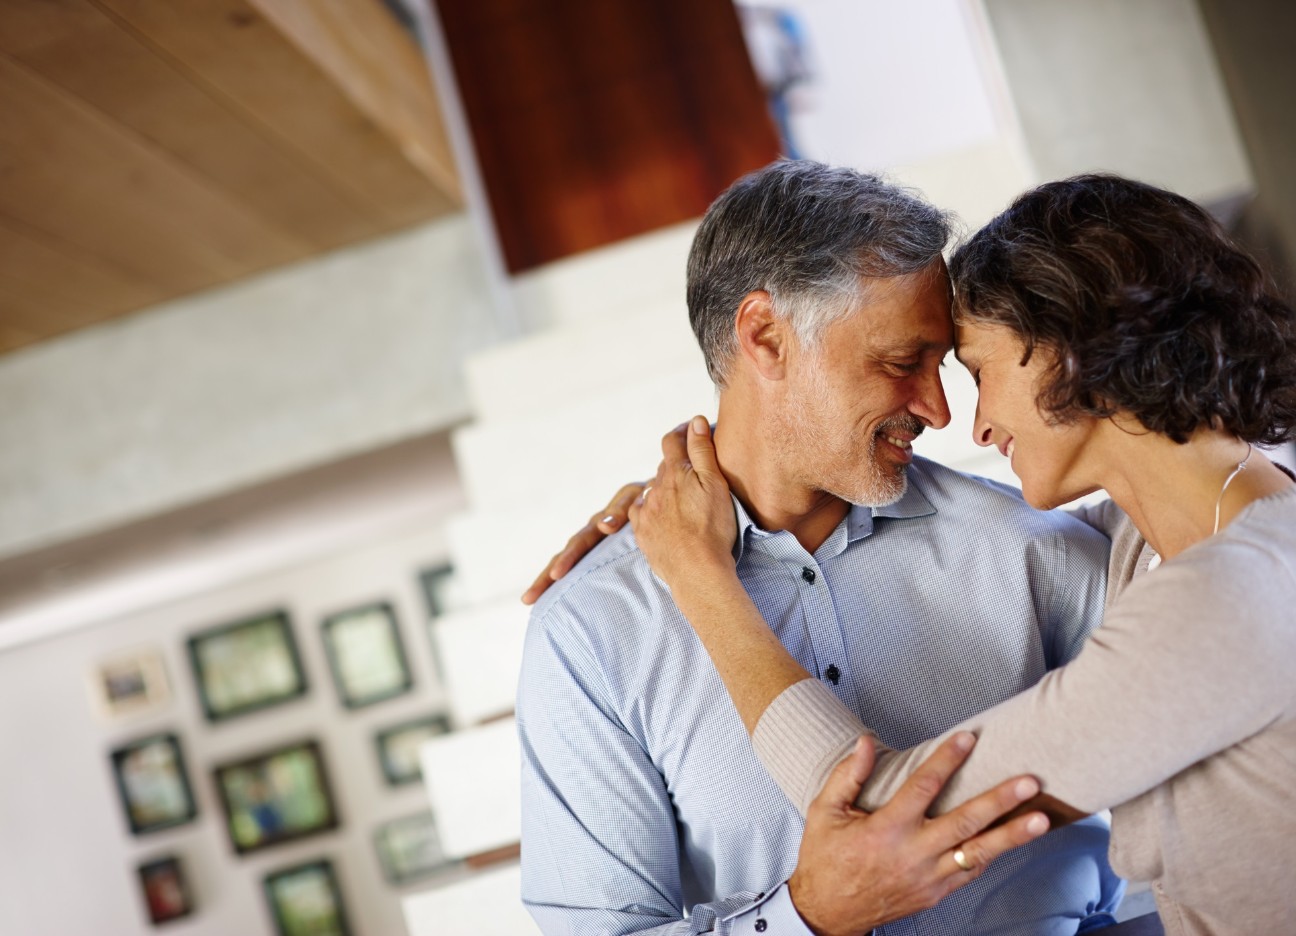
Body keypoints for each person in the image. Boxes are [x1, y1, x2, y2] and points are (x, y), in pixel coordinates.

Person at [624, 175, 1296, 936]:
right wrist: (667, 504)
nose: (968, 424)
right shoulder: (1173, 538)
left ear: (1074, 348)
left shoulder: (1225, 597)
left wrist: (701, 578)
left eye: (977, 371)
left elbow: (883, 816)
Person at [517, 161, 1125, 936]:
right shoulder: (595, 632)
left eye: (943, 366)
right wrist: (803, 918)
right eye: (903, 363)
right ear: (764, 335)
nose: (939, 411)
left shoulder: (1030, 547)